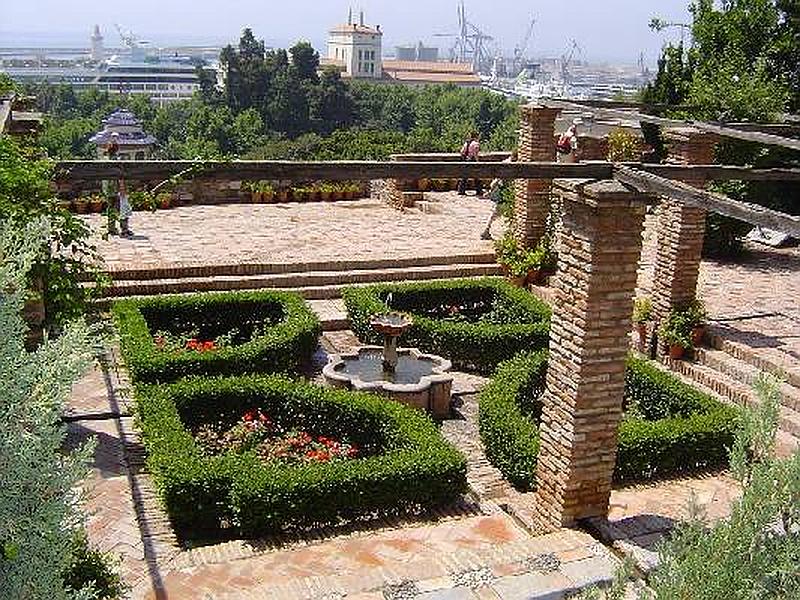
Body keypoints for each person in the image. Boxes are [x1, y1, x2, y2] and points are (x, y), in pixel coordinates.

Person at [480, 151, 516, 240]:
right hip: (505, 192)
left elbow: (496, 180)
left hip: (504, 191)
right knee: (506, 211)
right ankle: (487, 230)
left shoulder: (505, 162)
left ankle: (487, 230)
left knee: (499, 212)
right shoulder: (510, 165)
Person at [457, 131, 483, 196]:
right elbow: (475, 154)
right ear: (476, 136)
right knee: (477, 176)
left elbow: (462, 152)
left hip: (466, 160)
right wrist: (477, 161)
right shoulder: (476, 144)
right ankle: (479, 191)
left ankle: (461, 190)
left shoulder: (467, 143)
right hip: (472, 160)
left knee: (465, 176)